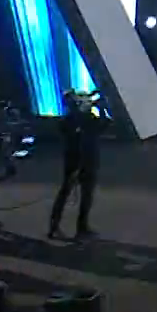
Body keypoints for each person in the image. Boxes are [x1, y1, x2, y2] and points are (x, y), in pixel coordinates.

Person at [49, 90, 106, 239]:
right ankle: (55, 226)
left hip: (87, 160)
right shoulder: (69, 120)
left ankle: (81, 226)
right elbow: (69, 131)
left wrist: (101, 109)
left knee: (85, 196)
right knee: (66, 193)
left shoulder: (87, 118)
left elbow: (103, 126)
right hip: (75, 161)